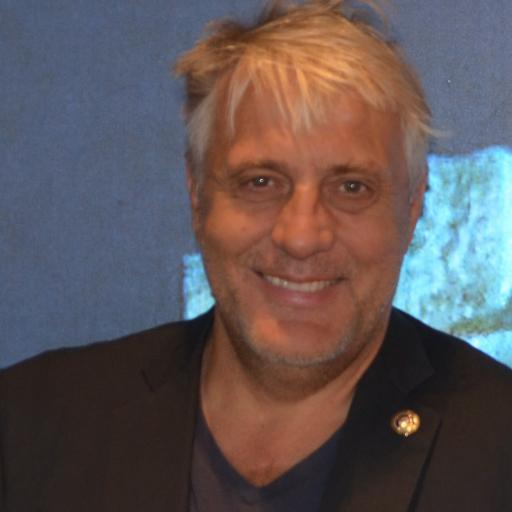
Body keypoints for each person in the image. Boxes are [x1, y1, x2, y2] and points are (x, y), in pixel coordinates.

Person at [1, 1, 511, 511]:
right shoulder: (30, 426)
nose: (302, 236)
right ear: (197, 194)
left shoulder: (497, 450)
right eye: (260, 182)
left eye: (351, 187)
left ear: (414, 204)